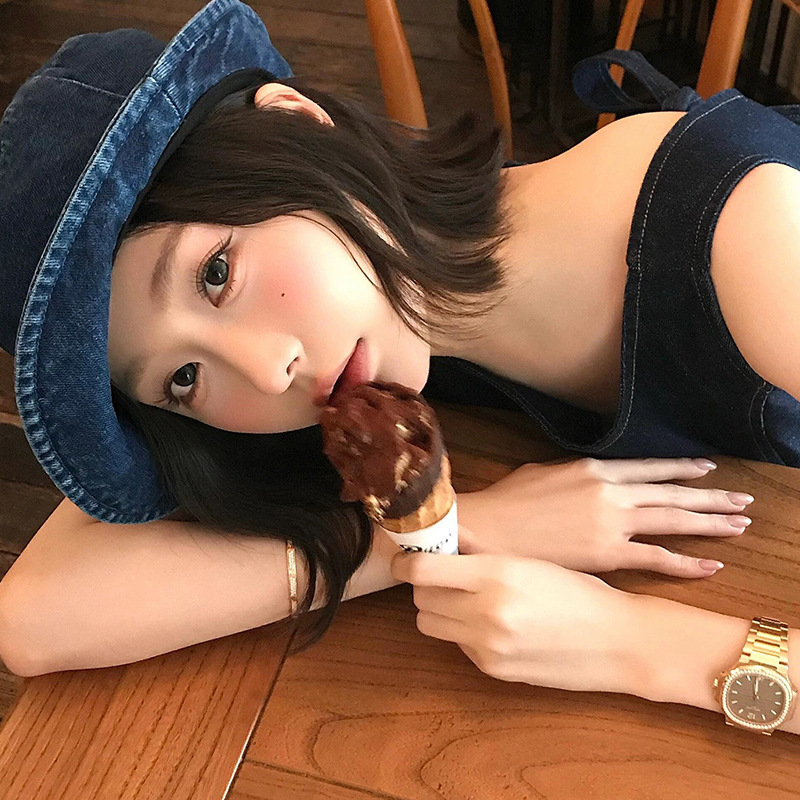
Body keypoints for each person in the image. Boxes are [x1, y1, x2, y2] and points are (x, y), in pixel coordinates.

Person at [0, 0, 797, 736]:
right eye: (181, 377)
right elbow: (33, 617)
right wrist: (441, 534)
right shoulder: (388, 317)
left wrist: (637, 645)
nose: (267, 370)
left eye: (215, 274)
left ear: (298, 127)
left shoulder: (752, 241)